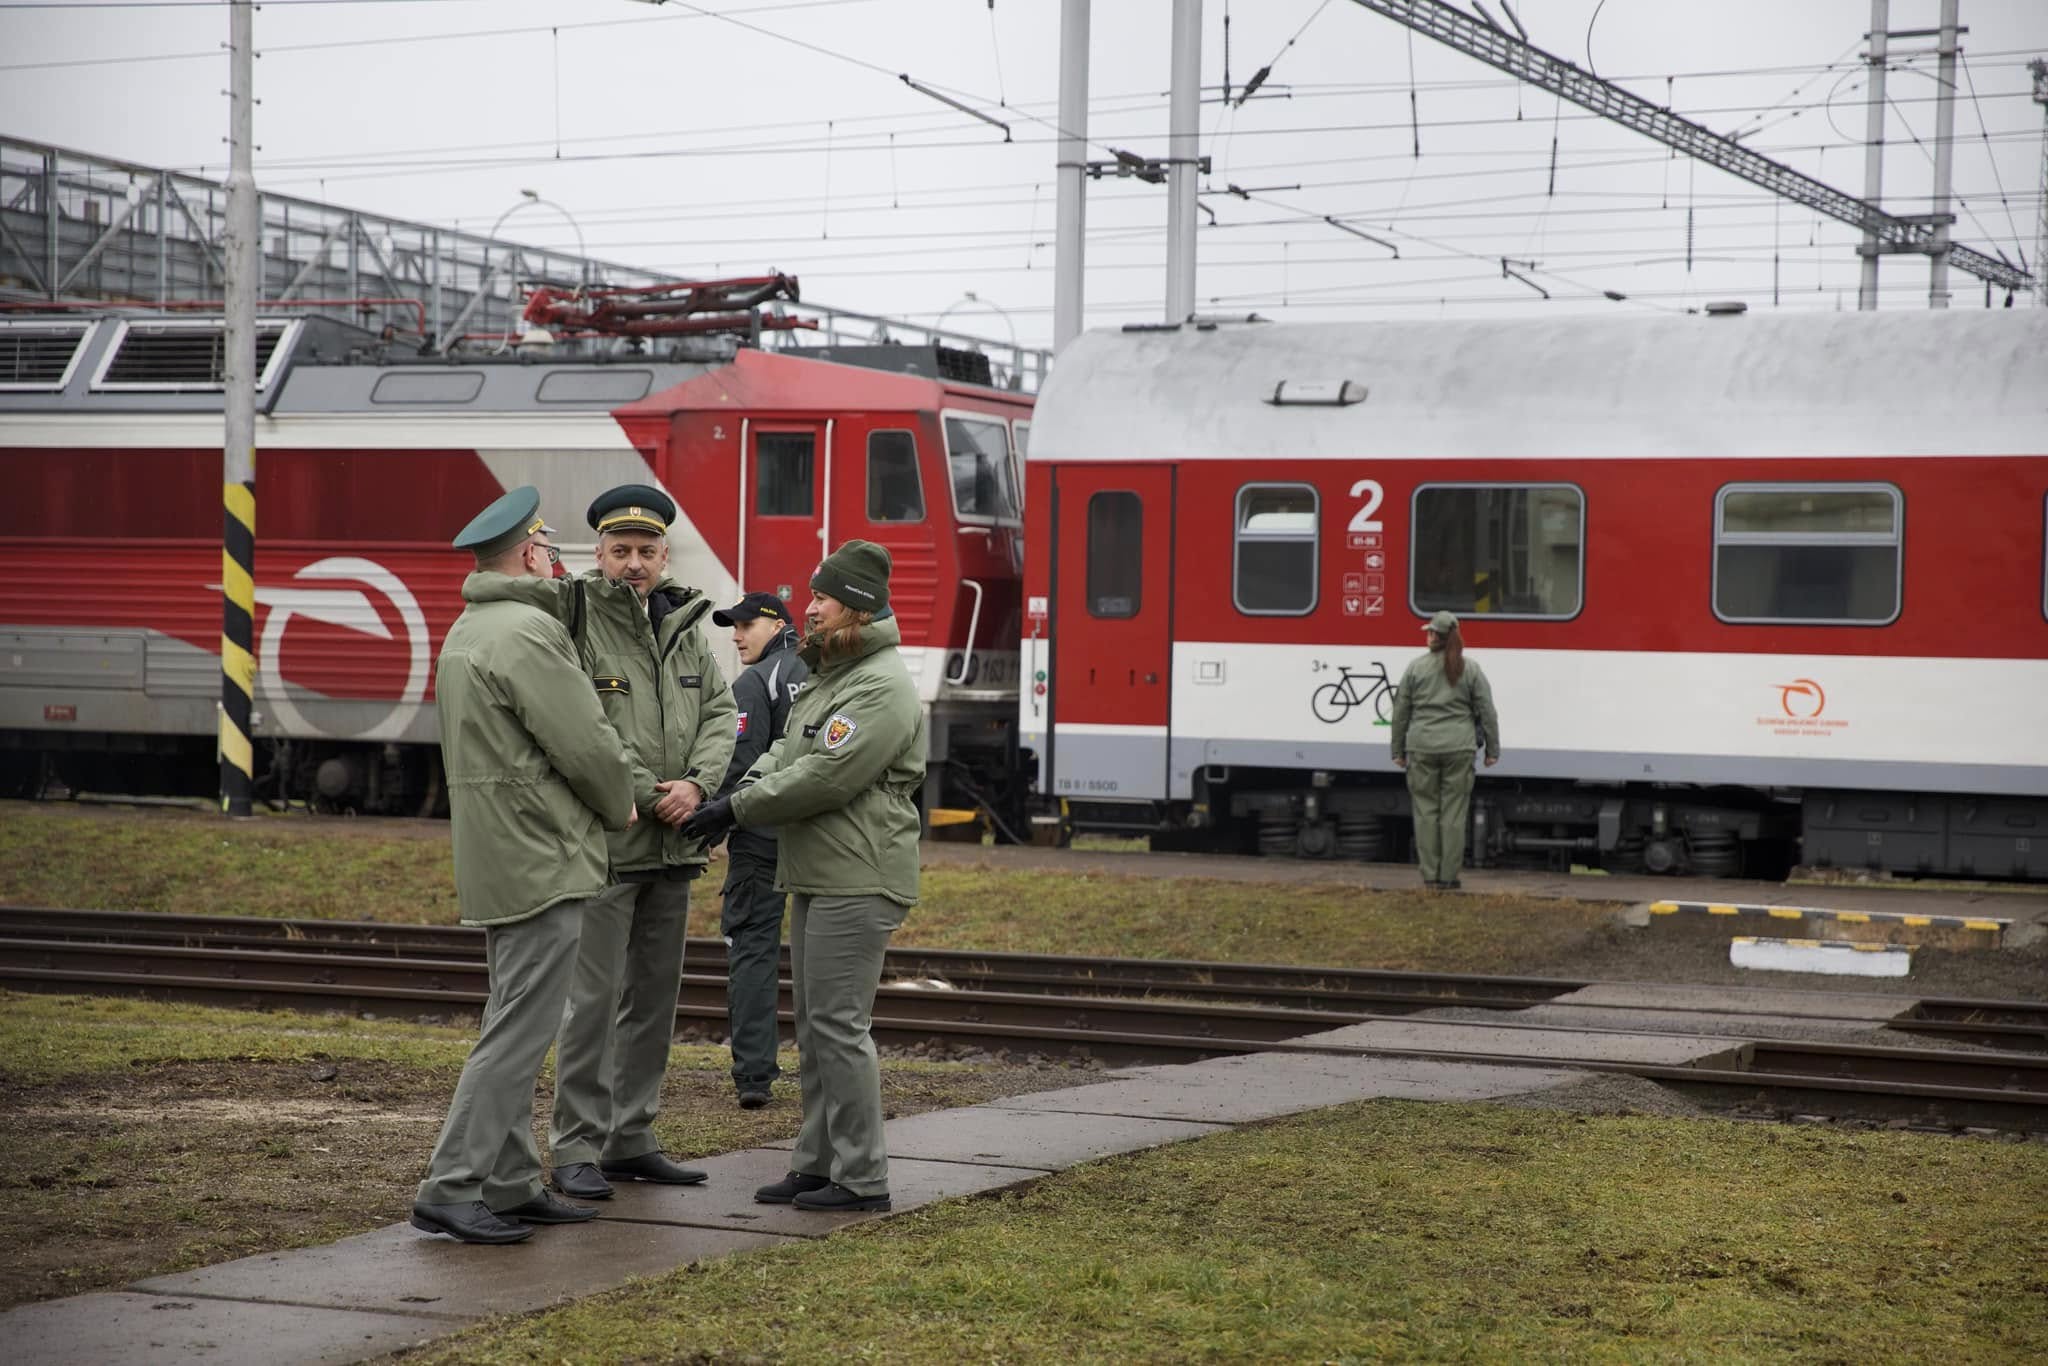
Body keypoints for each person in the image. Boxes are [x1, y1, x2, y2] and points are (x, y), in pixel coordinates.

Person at [498, 483, 739, 1204]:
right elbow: (583, 727)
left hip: (674, 847)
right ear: (598, 555)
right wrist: (647, 791)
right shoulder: (575, 620)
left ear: (666, 555)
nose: (635, 563)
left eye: (647, 551)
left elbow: (721, 713)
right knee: (593, 1004)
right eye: (621, 550)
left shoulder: (687, 623)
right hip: (609, 844)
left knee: (653, 1004)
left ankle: (632, 1135)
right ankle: (577, 1146)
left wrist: (697, 786)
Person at [411, 486, 636, 1245]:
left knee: (512, 1017)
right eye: (550, 548)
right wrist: (619, 803)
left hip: (503, 853)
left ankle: (506, 1181)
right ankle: (450, 1185)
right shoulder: (528, 634)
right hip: (545, 852)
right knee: (517, 1032)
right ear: (528, 554)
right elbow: (587, 743)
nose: (558, 561)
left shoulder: (472, 629)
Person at [681, 540, 925, 1214]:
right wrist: (736, 795)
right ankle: (817, 1164)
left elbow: (826, 775)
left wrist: (738, 807)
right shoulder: (834, 675)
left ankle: (862, 1175)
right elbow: (785, 750)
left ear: (857, 606)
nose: (808, 608)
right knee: (819, 1027)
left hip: (860, 873)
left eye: (821, 597)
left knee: (840, 1027)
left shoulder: (879, 685)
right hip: (821, 869)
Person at [710, 590, 810, 1110]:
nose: (736, 635)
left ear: (775, 624)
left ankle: (754, 1076)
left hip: (762, 839)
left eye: (746, 625)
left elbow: (741, 762)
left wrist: (710, 827)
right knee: (818, 963)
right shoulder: (816, 670)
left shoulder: (755, 681)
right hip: (817, 839)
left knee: (753, 950)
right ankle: (822, 1074)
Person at [1389, 610, 1501, 891]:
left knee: (1426, 812)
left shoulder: (1415, 668)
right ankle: (1449, 878)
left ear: (1437, 637)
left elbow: (1401, 712)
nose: (1428, 636)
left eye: (1430, 633)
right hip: (1459, 748)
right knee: (1453, 814)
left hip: (1422, 747)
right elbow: (1487, 711)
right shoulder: (1470, 669)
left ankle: (1430, 876)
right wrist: (1492, 749)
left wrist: (1397, 750)